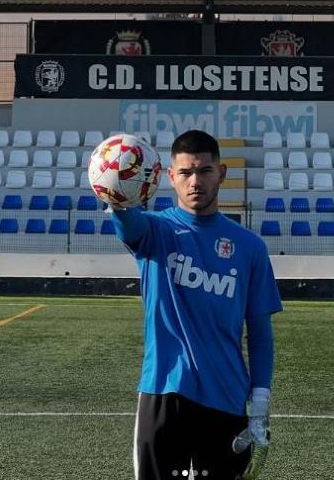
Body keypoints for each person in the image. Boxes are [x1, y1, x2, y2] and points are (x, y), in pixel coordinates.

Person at [109, 130, 282, 480]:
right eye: (186, 172)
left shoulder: (250, 248)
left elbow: (260, 332)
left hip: (227, 396)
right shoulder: (155, 231)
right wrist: (116, 194)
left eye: (204, 171)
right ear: (170, 176)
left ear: (221, 173)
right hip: (163, 391)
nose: (195, 181)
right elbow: (127, 223)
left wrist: (261, 399)